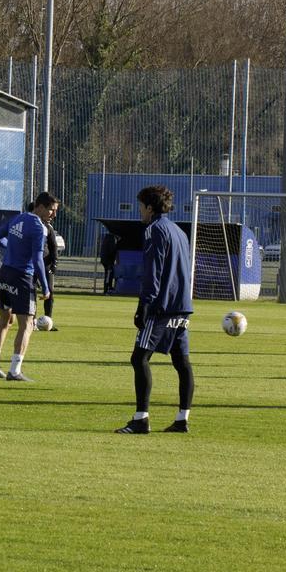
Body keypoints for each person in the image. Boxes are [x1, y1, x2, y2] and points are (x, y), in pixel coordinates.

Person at [116, 185, 194, 435]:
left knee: (139, 358)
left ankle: (141, 420)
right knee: (182, 362)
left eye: (141, 206)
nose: (140, 211)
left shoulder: (154, 230)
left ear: (150, 207)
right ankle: (182, 419)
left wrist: (143, 306)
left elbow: (153, 271)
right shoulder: (179, 231)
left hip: (162, 307)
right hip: (182, 306)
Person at [0, 192, 59, 382]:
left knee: (5, 321)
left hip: (5, 273)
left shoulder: (16, 219)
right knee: (26, 325)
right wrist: (45, 286)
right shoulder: (39, 228)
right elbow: (37, 259)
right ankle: (15, 370)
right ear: (40, 206)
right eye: (52, 210)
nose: (53, 214)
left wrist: (11, 248)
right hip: (22, 277)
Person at [40, 215, 60, 330]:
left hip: (46, 263)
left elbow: (54, 246)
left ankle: (48, 321)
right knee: (30, 291)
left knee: (49, 292)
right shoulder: (30, 226)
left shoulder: (48, 227)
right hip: (32, 264)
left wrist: (54, 263)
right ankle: (31, 322)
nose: (52, 215)